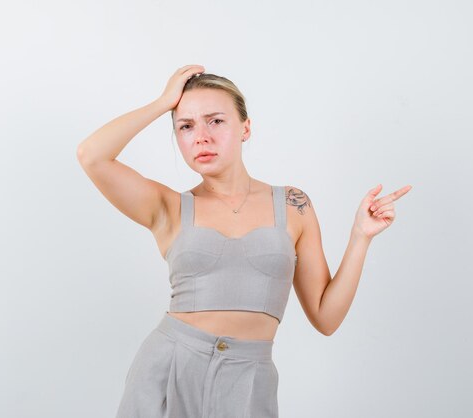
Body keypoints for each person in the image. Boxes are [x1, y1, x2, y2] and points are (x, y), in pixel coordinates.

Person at [76, 64, 412, 418]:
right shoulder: (169, 207)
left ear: (245, 128)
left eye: (215, 121)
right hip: (169, 368)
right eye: (185, 127)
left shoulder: (292, 205)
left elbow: (326, 318)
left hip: (249, 378)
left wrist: (360, 237)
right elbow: (91, 155)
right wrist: (163, 103)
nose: (201, 136)